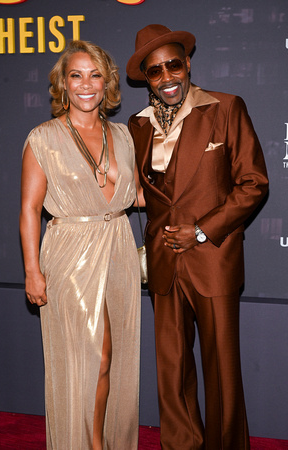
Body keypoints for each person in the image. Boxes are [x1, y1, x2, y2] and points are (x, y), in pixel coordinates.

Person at [126, 24, 269, 450]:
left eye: (173, 64)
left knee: (221, 368)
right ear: (146, 79)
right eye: (155, 71)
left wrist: (203, 230)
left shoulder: (225, 108)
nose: (167, 76)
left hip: (213, 259)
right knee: (172, 370)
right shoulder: (137, 125)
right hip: (164, 260)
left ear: (187, 63)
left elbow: (253, 183)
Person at [20, 40, 143, 450]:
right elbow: (29, 209)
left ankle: (104, 440)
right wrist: (32, 271)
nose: (86, 84)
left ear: (107, 81)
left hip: (119, 248)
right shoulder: (44, 138)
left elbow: (140, 196)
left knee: (113, 360)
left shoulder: (123, 135)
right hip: (70, 255)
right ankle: (88, 444)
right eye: (76, 75)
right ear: (64, 84)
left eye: (95, 74)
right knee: (90, 360)